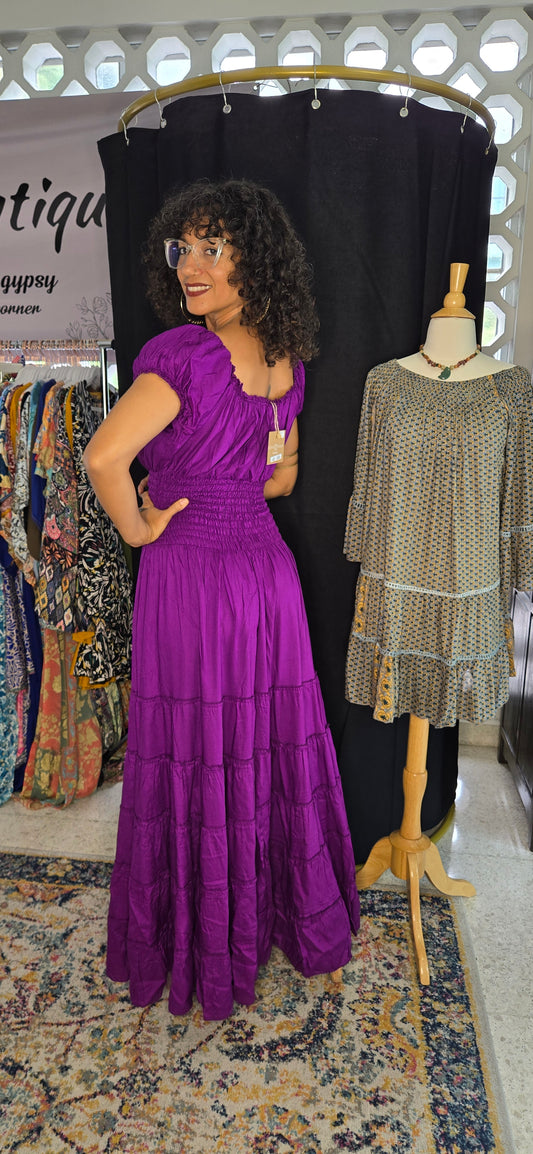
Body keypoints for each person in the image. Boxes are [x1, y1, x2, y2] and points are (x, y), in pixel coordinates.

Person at [84, 178, 359, 1020]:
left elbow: (102, 458)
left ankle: (202, 931)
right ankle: (271, 913)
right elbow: (283, 478)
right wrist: (220, 480)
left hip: (194, 575)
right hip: (264, 574)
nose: (190, 266)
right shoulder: (285, 362)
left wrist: (141, 526)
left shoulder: (184, 356)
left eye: (213, 247)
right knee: (260, 739)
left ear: (254, 259)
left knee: (197, 741)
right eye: (182, 248)